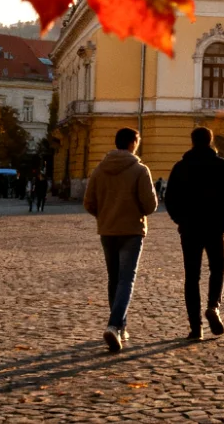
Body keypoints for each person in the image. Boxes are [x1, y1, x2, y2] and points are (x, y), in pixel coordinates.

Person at [83, 127, 158, 353]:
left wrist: (104, 215)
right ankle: (114, 325)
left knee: (114, 278)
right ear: (133, 142)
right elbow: (151, 205)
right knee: (126, 279)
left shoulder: (99, 170)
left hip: (107, 231)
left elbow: (88, 202)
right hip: (132, 231)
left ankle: (120, 326)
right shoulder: (139, 170)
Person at [166, 127, 224, 341]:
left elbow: (170, 198)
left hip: (190, 228)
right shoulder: (222, 165)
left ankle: (196, 328)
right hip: (215, 226)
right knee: (218, 268)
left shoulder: (181, 167)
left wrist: (180, 219)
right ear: (211, 141)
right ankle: (213, 306)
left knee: (192, 277)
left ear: (192, 142)